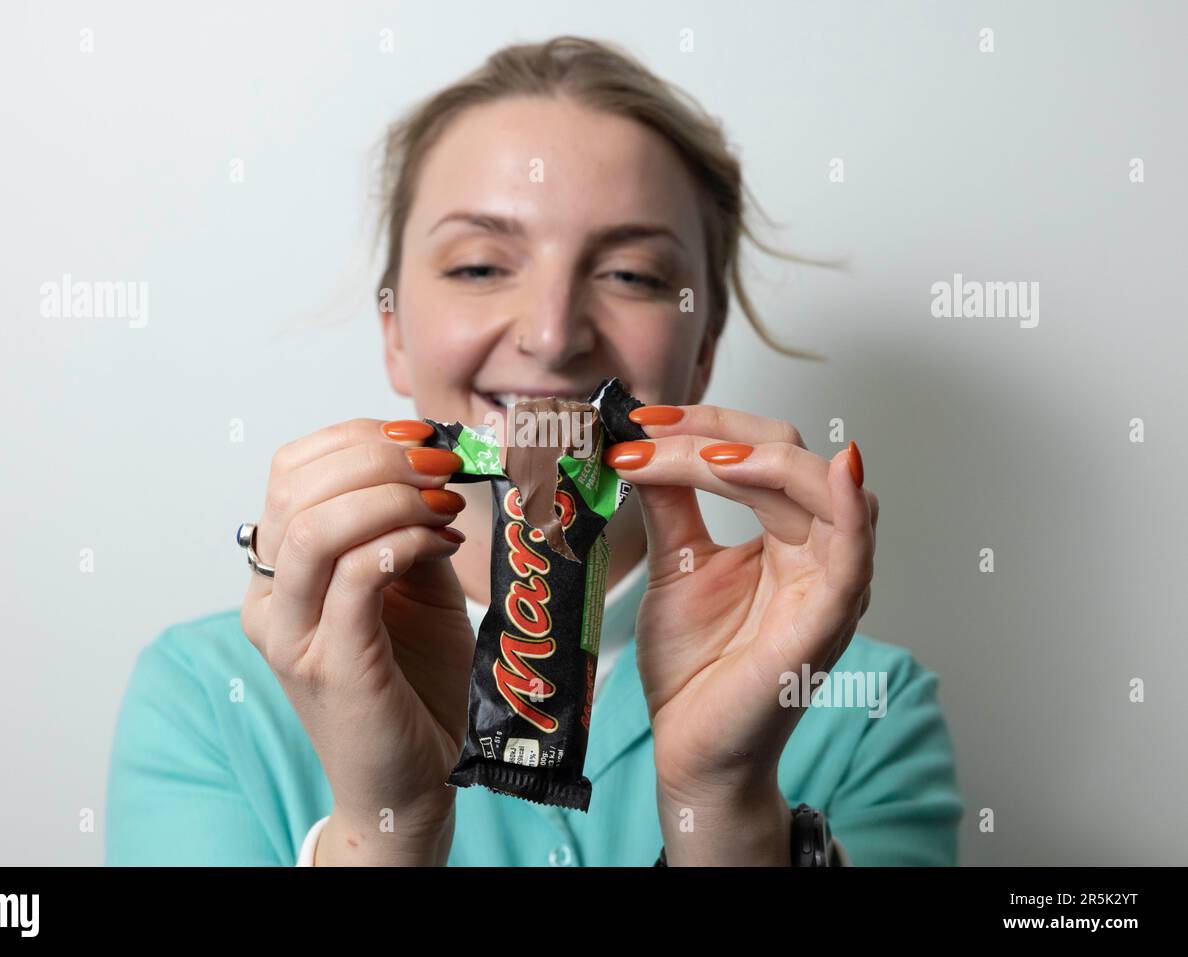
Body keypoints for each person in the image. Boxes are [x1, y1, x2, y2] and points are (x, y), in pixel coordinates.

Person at [105, 35, 963, 866]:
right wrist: (383, 827)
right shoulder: (207, 694)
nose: (552, 337)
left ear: (701, 348)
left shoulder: (864, 706)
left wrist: (726, 802)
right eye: (479, 266)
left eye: (631, 274)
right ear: (394, 329)